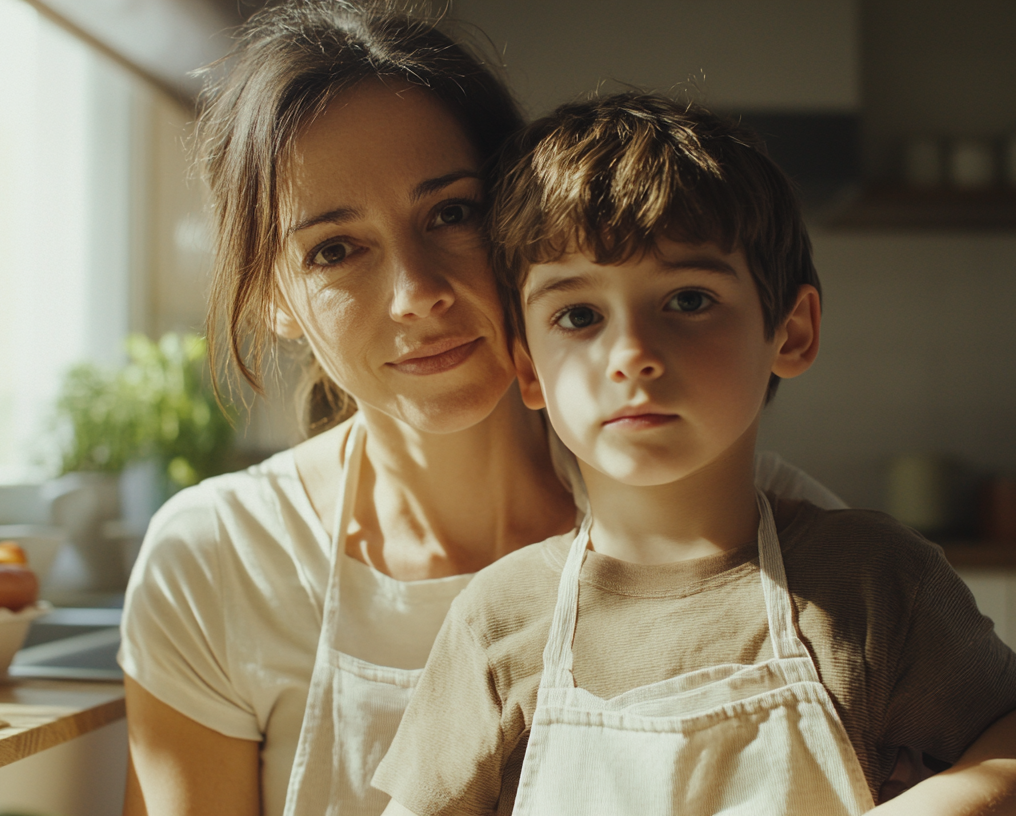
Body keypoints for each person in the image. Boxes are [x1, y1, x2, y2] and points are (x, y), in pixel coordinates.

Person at [117, 5, 845, 816]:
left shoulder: (762, 528)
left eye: (452, 212)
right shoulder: (219, 561)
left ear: (521, 224)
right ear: (272, 299)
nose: (417, 294)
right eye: (334, 249)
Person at [374, 93, 1016, 816]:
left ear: (791, 333)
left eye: (687, 300)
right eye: (579, 315)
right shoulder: (498, 624)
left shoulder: (873, 583)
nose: (631, 354)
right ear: (529, 369)